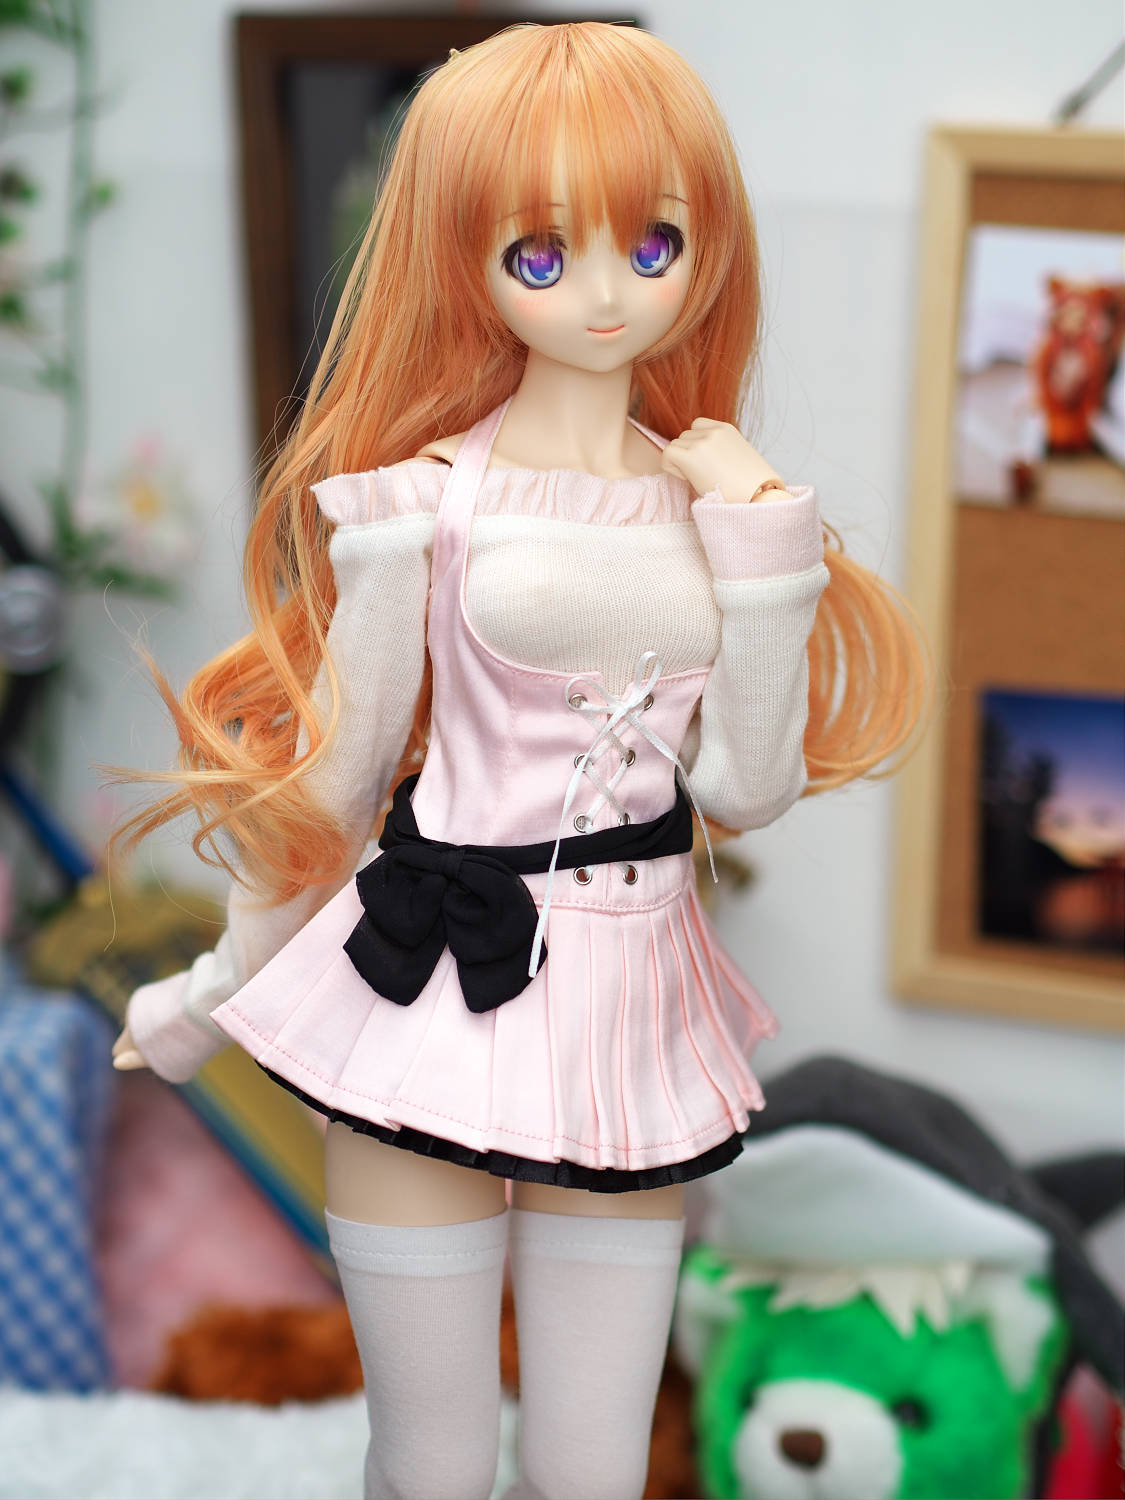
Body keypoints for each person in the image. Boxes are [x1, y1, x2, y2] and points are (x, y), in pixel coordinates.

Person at [111, 22, 927, 1500]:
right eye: (541, 255)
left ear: (706, 245)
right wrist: (214, 988)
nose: (606, 294)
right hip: (429, 982)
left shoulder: (715, 512)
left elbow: (743, 789)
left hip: (626, 998)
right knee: (429, 1464)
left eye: (652, 243)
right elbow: (335, 787)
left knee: (590, 1469)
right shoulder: (419, 508)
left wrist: (763, 543)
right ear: (466, 261)